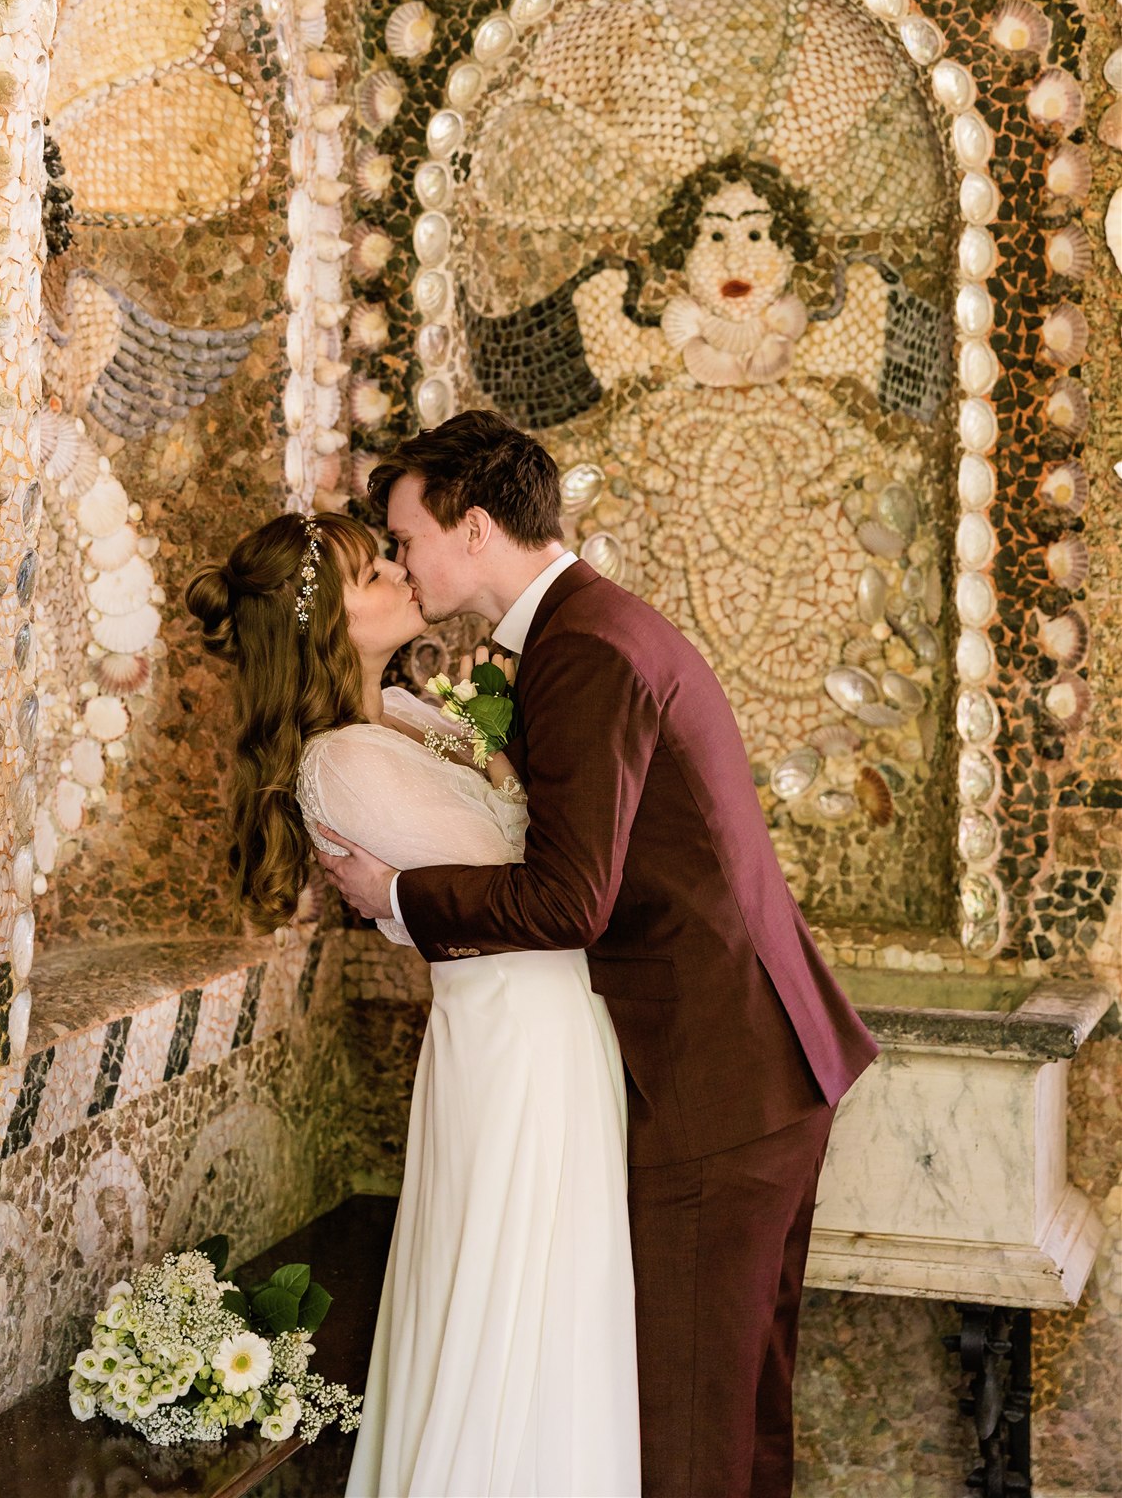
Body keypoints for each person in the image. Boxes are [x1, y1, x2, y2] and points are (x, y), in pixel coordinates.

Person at [316, 409, 879, 1498]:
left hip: (713, 1078)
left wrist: (391, 891)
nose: (403, 561)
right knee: (734, 1414)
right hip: (756, 1066)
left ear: (472, 526)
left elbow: (571, 897)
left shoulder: (582, 646)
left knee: (683, 1430)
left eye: (407, 537)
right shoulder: (589, 625)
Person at [185, 510, 640, 1498]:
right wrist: (527, 761)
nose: (398, 571)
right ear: (325, 624)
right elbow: (534, 879)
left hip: (555, 1023)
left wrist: (509, 750)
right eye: (369, 570)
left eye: (389, 553)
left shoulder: (405, 713)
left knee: (562, 1293)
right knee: (508, 1290)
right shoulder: (342, 759)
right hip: (508, 1033)